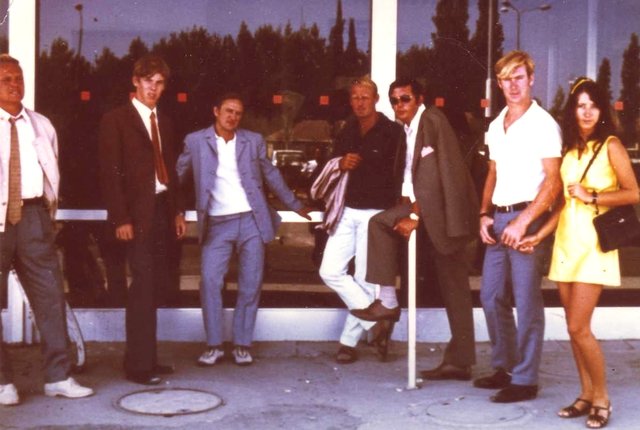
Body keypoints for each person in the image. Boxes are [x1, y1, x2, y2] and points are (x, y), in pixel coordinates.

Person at [518, 78, 638, 428]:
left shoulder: (611, 145)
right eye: (581, 105)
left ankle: (602, 398)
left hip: (594, 246)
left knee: (578, 326)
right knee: (573, 329)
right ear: (572, 110)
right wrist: (538, 235)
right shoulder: (569, 149)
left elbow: (634, 193)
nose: (587, 112)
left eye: (593, 105)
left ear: (602, 111)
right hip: (566, 243)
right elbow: (563, 205)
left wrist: (594, 196)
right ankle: (586, 394)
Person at [351, 78, 478, 380]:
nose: (399, 105)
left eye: (405, 98)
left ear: (420, 99)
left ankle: (461, 361)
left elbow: (439, 174)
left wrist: (416, 216)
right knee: (379, 223)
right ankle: (387, 301)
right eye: (394, 100)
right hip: (419, 207)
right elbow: (413, 175)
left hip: (445, 217)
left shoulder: (432, 120)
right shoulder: (407, 129)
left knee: (455, 290)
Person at [176, 93, 311, 367]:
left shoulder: (253, 140)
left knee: (251, 283)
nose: (233, 117)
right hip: (216, 223)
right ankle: (214, 345)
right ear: (216, 111)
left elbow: (270, 174)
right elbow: (178, 178)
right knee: (210, 281)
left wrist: (295, 204)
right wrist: (175, 210)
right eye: (228, 111)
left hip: (251, 220)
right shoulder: (195, 140)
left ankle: (242, 344)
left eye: (238, 113)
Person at [0, 54, 94, 405]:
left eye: (18, 78)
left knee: (50, 297)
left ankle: (58, 377)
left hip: (33, 216)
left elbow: (51, 171)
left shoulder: (41, 125)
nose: (14, 84)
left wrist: (46, 215)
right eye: (6, 79)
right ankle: (2, 383)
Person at [474, 50, 562, 402]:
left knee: (526, 302)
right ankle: (505, 367)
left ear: (531, 80)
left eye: (519, 77)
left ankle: (525, 380)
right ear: (498, 83)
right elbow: (493, 172)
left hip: (528, 217)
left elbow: (553, 182)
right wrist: (484, 214)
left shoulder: (543, 124)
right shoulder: (497, 124)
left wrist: (523, 222)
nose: (513, 85)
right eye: (506, 79)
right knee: (491, 295)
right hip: (498, 218)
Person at [99, 55, 186, 385]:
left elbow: (170, 170)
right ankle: (138, 367)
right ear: (135, 81)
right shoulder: (116, 120)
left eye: (160, 82)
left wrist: (177, 211)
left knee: (156, 286)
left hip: (161, 211)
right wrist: (121, 218)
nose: (154, 88)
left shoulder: (164, 121)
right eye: (148, 80)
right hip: (135, 217)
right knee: (142, 288)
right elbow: (110, 174)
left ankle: (146, 357)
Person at [318, 76, 404, 364]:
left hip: (375, 215)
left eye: (365, 97)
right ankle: (378, 323)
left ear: (376, 99)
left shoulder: (393, 132)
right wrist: (341, 163)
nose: (359, 102)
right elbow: (330, 165)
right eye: (355, 97)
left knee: (365, 279)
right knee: (330, 271)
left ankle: (348, 343)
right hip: (347, 211)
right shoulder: (347, 129)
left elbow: (402, 174)